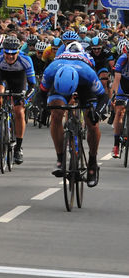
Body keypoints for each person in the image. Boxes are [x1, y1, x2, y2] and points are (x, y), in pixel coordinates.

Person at [34, 41, 108, 187]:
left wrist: (98, 112)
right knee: (56, 113)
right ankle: (60, 158)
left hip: (84, 86)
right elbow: (40, 93)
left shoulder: (88, 73)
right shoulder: (51, 70)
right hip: (61, 82)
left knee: (92, 123)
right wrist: (39, 108)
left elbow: (103, 97)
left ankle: (92, 162)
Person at [0, 36, 36, 164]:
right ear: (3, 51)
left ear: (18, 52)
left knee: (19, 112)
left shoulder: (26, 60)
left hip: (19, 79)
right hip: (2, 76)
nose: (10, 57)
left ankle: (18, 148)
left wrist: (26, 98)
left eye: (13, 54)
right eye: (7, 53)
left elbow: (33, 85)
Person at [109, 38, 129, 158]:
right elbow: (117, 80)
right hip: (124, 84)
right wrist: (115, 96)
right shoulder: (122, 59)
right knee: (119, 112)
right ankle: (116, 145)